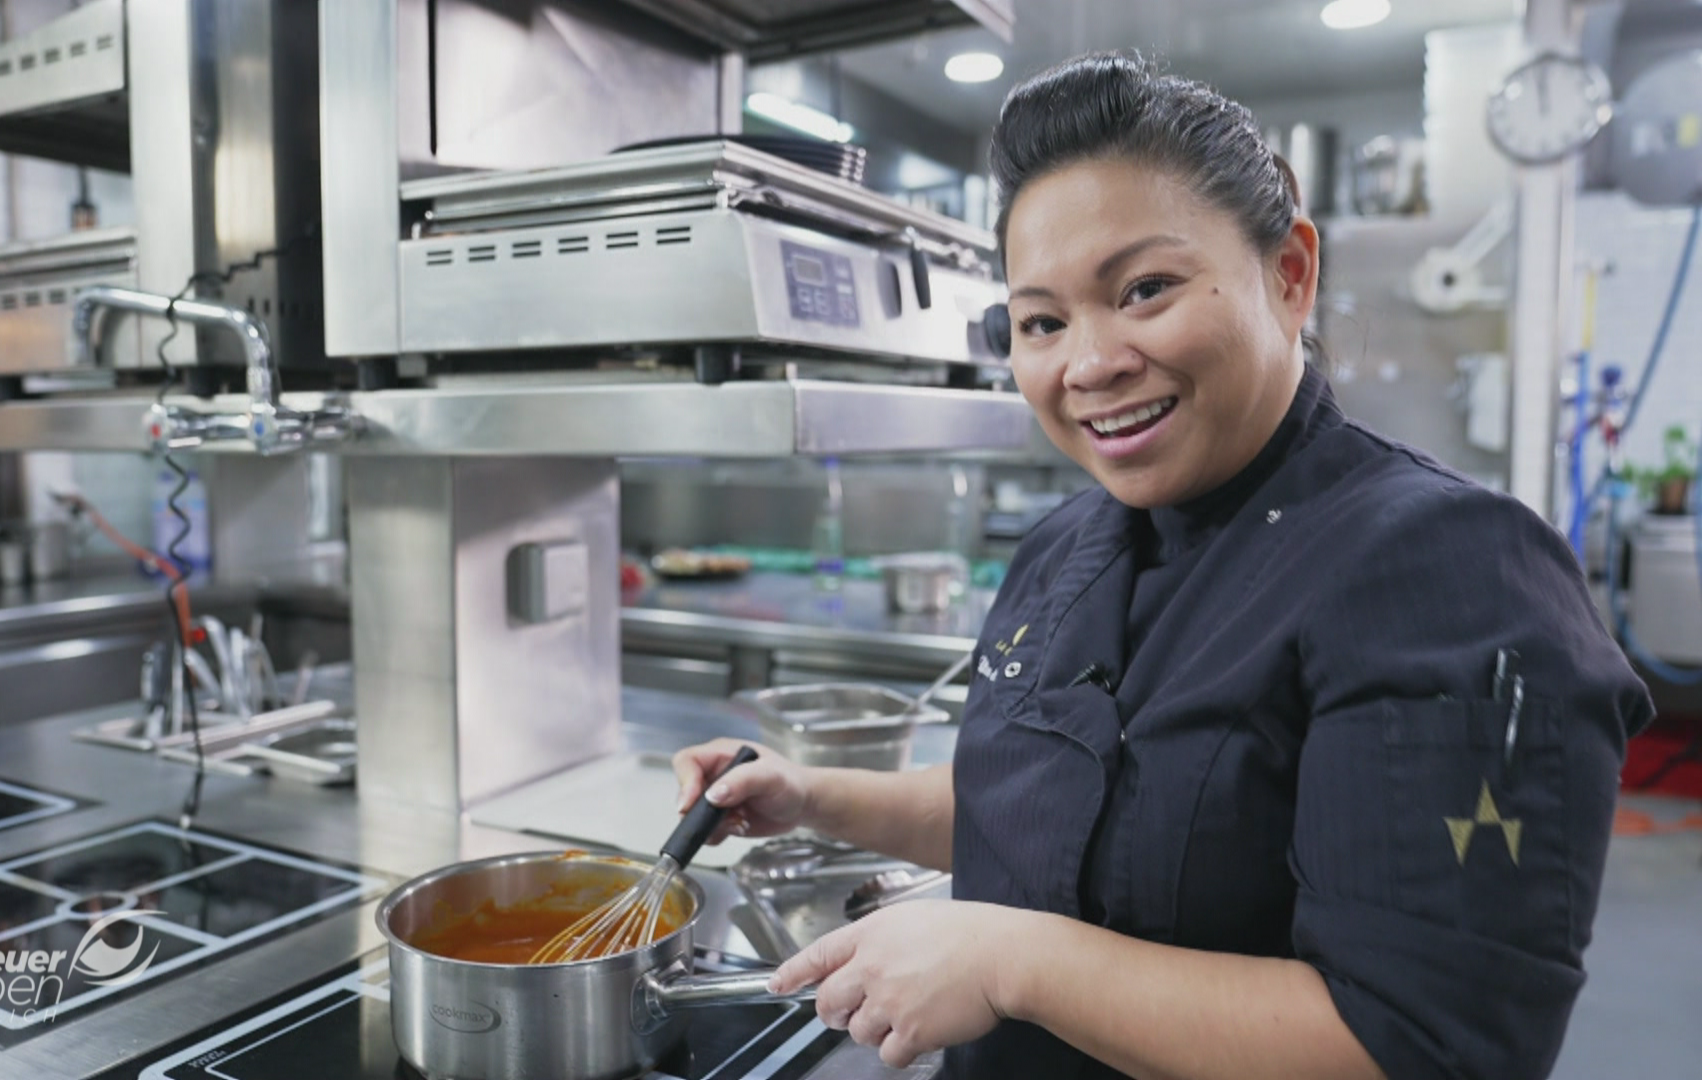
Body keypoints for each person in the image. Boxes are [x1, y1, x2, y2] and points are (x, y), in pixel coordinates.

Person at [672, 52, 1653, 1080]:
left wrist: (1014, 961)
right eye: (1042, 321)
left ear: (1290, 275)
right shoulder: (1069, 546)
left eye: (1145, 289)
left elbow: (1421, 1042)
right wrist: (816, 795)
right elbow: (1040, 806)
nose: (1087, 363)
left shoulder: (1451, 575)